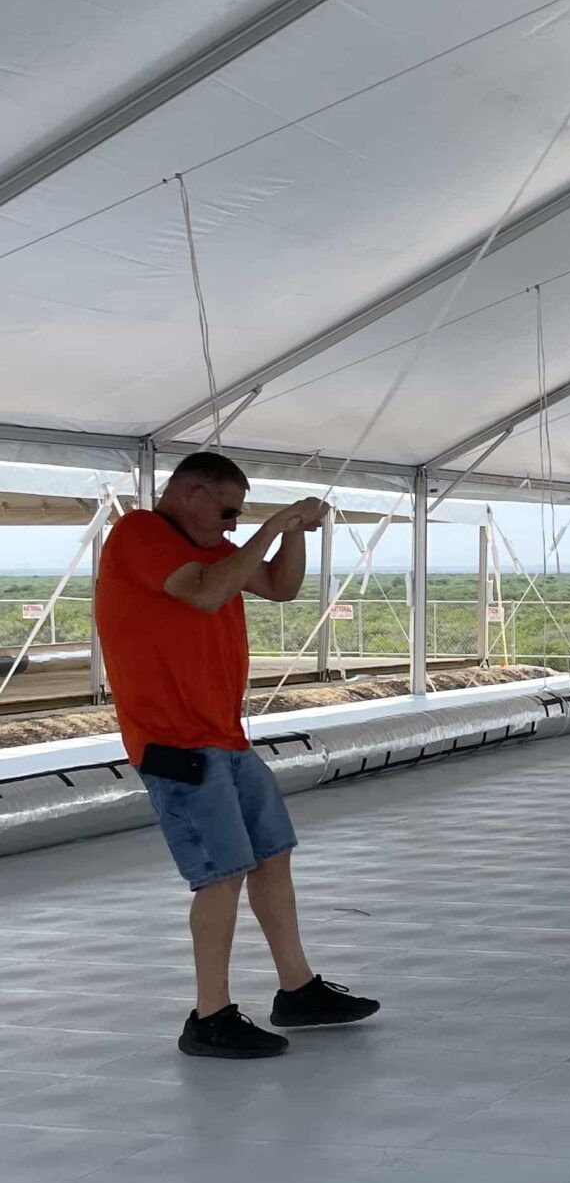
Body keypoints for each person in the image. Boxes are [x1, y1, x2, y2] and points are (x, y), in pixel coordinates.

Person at [94, 450, 380, 1060]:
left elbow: (280, 586)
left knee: (272, 855)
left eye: (239, 516)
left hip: (224, 736)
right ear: (191, 493)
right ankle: (210, 1014)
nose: (232, 523)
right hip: (175, 742)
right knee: (220, 873)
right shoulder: (141, 534)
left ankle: (297, 989)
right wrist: (270, 527)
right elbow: (201, 594)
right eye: (227, 510)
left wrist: (293, 536)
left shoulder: (214, 547)